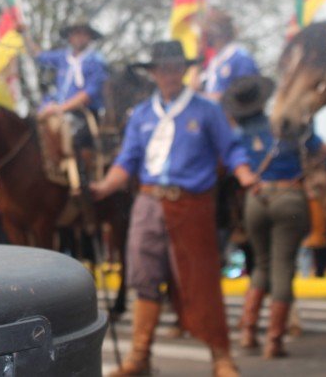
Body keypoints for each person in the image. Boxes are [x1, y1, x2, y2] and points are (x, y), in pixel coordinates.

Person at [91, 40, 258, 377]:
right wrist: (105, 186)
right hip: (148, 202)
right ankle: (140, 356)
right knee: (144, 277)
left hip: (192, 203)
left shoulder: (206, 110)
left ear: (184, 69)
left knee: (201, 278)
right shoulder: (140, 115)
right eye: (161, 68)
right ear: (152, 73)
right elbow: (128, 159)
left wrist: (244, 174)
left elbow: (231, 149)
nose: (168, 73)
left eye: (174, 66)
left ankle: (221, 357)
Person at [222, 75, 325, 358]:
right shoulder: (287, 125)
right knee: (283, 267)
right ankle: (274, 341)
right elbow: (322, 151)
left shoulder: (239, 133)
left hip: (256, 198)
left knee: (261, 265)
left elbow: (233, 162)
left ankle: (248, 332)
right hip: (288, 196)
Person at [34, 19, 108, 191]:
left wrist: (59, 109)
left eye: (83, 34)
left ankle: (82, 183)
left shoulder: (96, 61)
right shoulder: (62, 56)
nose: (79, 38)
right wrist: (24, 34)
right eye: (75, 33)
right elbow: (38, 56)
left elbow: (89, 94)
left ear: (90, 38)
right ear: (69, 37)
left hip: (83, 112)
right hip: (56, 110)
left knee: (76, 138)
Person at [200, 9, 260, 101]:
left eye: (206, 33)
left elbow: (246, 94)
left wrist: (215, 98)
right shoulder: (215, 61)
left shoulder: (240, 58)